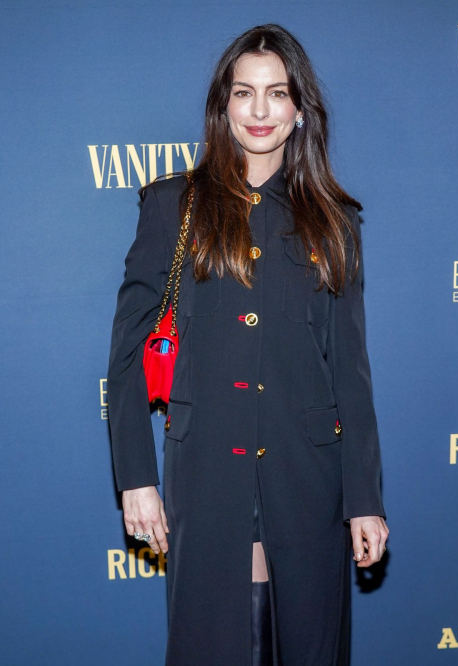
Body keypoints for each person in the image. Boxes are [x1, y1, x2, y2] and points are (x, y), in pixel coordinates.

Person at [107, 22, 389, 666]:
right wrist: (136, 481)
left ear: (299, 110)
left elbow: (351, 369)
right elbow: (125, 356)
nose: (259, 110)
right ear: (223, 105)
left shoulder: (334, 219)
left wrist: (365, 500)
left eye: (277, 93)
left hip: (308, 478)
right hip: (205, 473)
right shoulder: (172, 206)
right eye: (244, 93)